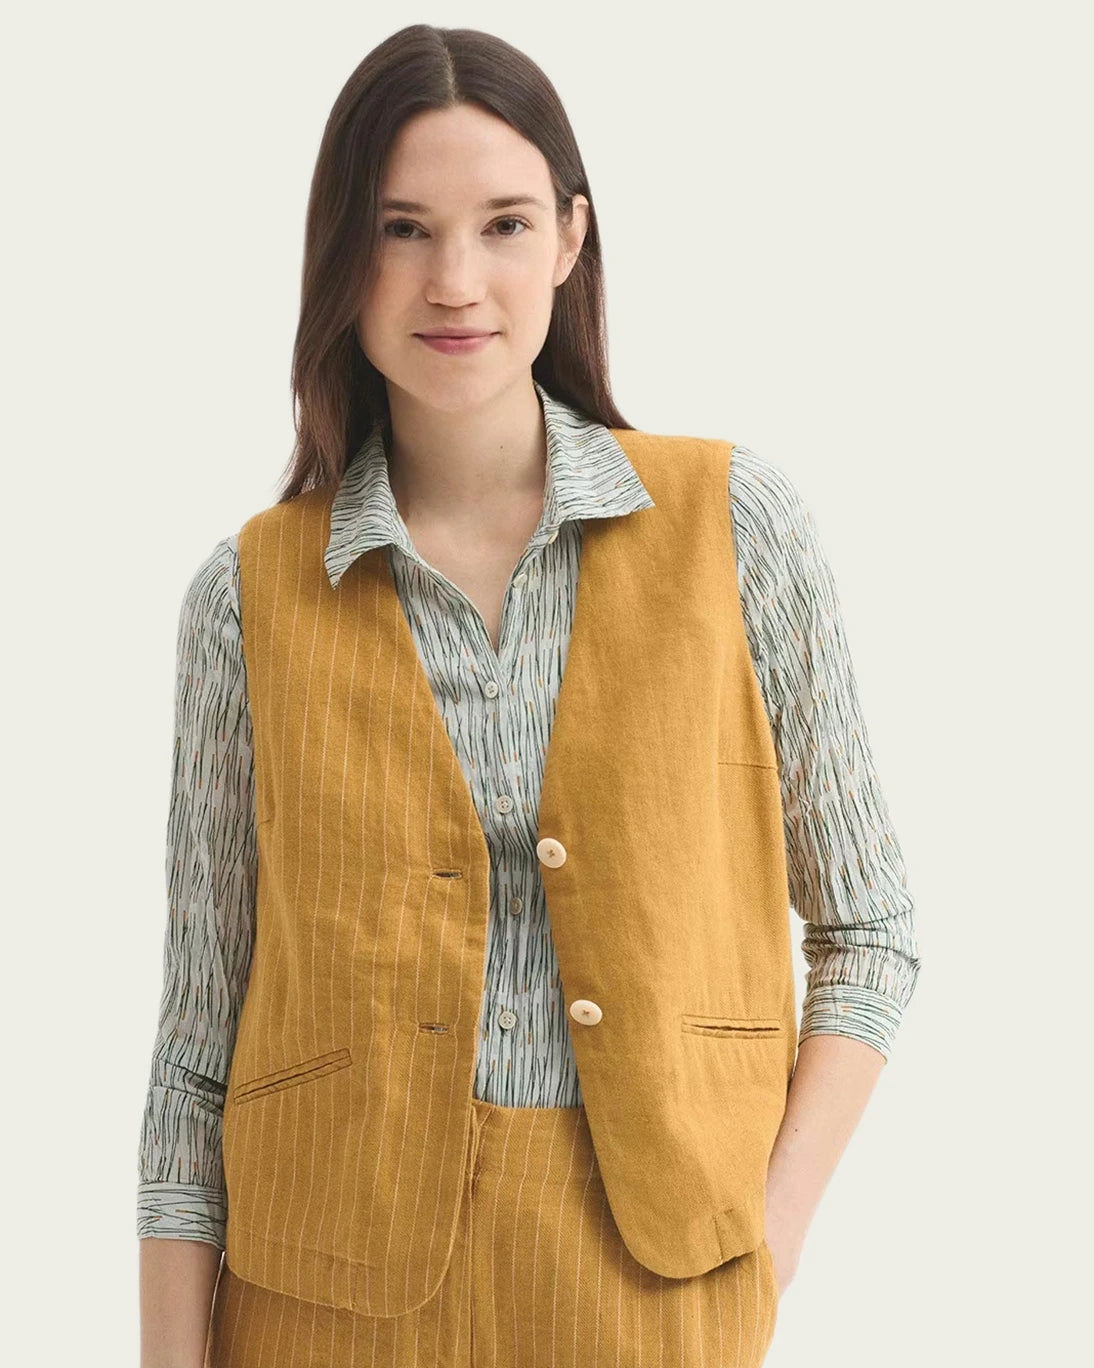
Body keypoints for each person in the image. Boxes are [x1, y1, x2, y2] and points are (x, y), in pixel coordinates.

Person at [136, 23, 921, 1368]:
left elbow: (871, 930)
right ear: (341, 254)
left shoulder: (737, 527)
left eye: (502, 224)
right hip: (318, 1307)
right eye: (402, 229)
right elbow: (197, 1042)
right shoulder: (246, 596)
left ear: (569, 237)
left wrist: (771, 1233)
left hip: (654, 1290)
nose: (454, 282)